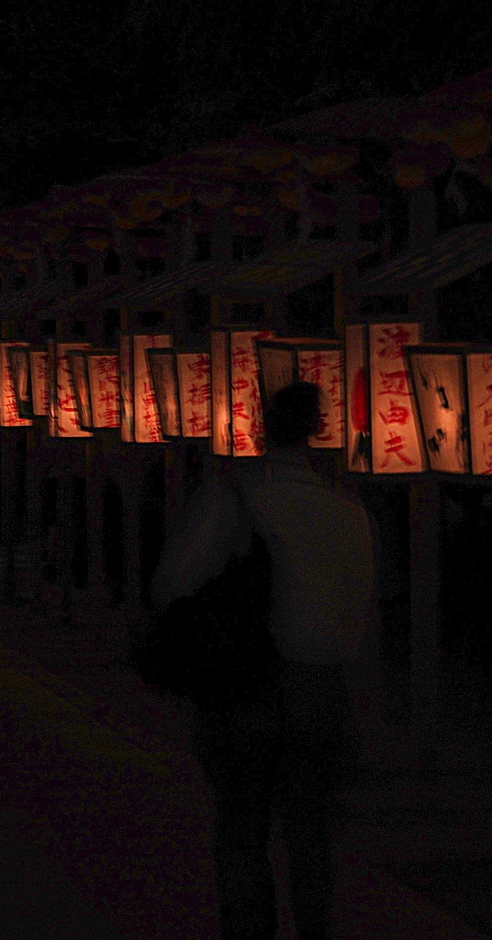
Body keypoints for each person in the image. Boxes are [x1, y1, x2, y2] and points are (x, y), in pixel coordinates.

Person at [151, 382, 375, 940]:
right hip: (319, 685)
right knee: (311, 832)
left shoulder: (236, 495)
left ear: (257, 427)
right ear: (319, 432)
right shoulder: (349, 514)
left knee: (242, 828)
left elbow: (170, 585)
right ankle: (315, 928)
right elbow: (358, 618)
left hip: (246, 684)